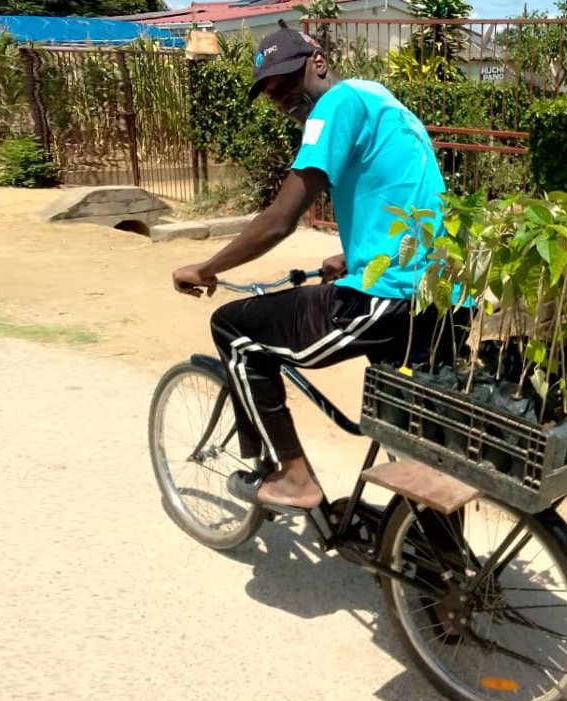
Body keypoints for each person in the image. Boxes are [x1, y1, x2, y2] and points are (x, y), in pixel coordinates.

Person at [172, 23, 457, 513]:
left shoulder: (335, 106)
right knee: (415, 438)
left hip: (388, 297)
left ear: (319, 61)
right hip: (442, 295)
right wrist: (354, 256)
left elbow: (280, 220)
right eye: (271, 93)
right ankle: (428, 551)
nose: (281, 98)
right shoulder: (382, 100)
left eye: (286, 80)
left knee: (233, 328)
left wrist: (209, 267)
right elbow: (408, 193)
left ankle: (293, 479)